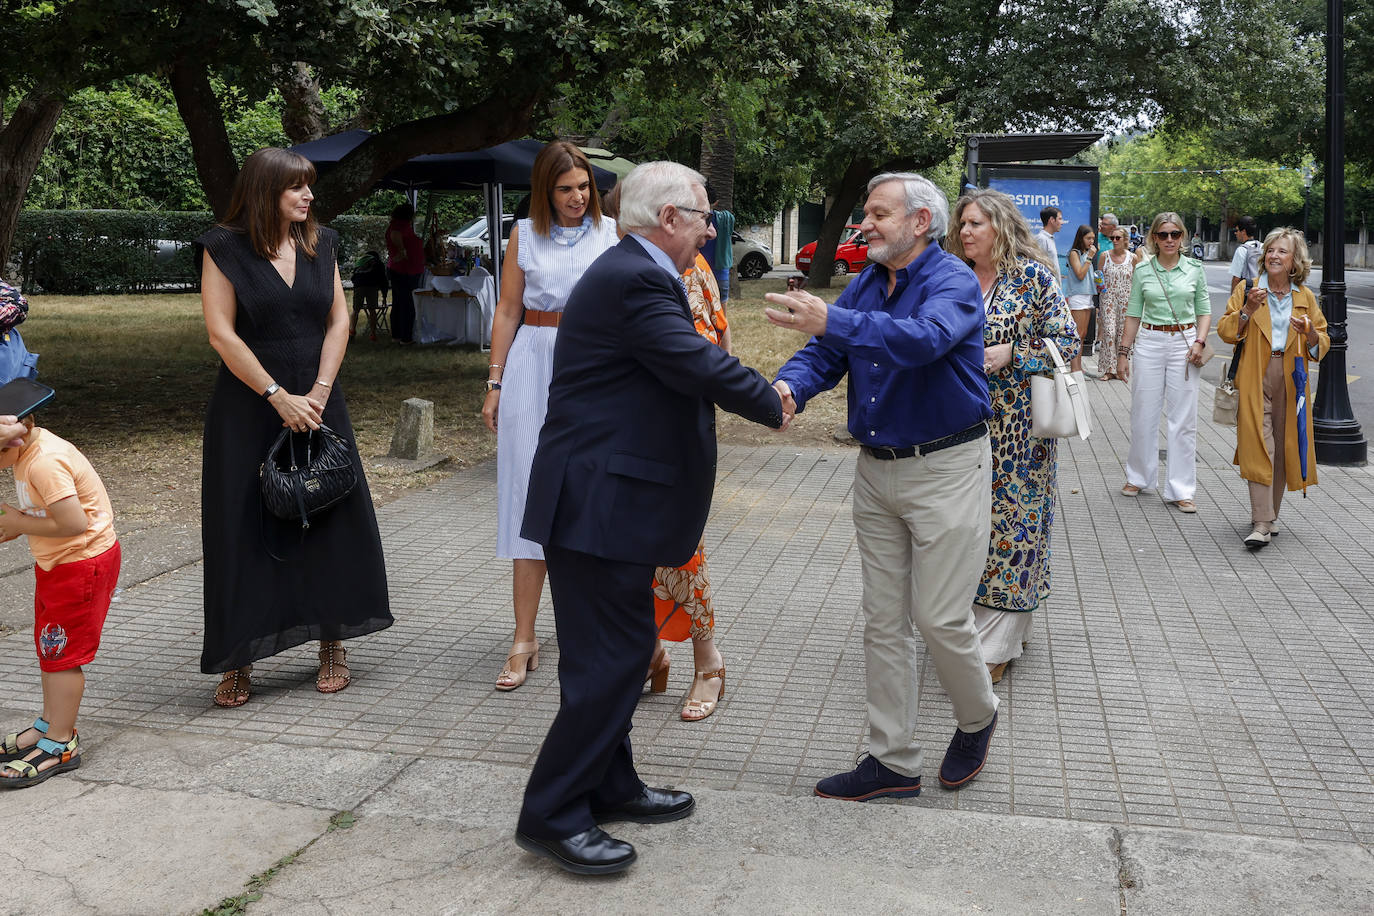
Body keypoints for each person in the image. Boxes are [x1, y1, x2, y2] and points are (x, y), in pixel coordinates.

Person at [514, 162, 784, 875]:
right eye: (703, 215)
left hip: (605, 499)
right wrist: (774, 399)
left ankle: (611, 783)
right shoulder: (636, 277)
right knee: (612, 661)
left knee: (615, 651)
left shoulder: (630, 269)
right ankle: (552, 812)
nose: (709, 226)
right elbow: (694, 362)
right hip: (599, 502)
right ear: (667, 218)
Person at [767, 172, 1000, 802]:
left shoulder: (951, 281)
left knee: (940, 618)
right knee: (882, 619)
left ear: (921, 222)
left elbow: (921, 342)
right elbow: (826, 351)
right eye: (864, 213)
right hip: (876, 471)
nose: (863, 224)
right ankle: (893, 760)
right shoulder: (870, 281)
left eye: (877, 214)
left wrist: (833, 321)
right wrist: (789, 388)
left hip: (946, 468)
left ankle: (978, 717)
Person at [197, 147, 392, 708]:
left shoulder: (319, 242)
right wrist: (276, 396)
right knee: (241, 525)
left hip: (318, 395)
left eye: (309, 187)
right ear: (265, 192)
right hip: (249, 404)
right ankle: (238, 656)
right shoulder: (222, 248)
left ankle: (333, 641)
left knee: (328, 515)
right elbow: (221, 334)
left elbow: (339, 318)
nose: (309, 196)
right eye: (297, 188)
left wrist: (320, 392)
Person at [481, 140, 619, 692]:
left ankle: (598, 628)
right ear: (544, 190)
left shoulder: (612, 235)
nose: (578, 197)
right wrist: (494, 382)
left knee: (594, 495)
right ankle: (524, 636)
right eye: (565, 189)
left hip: (595, 365)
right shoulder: (523, 235)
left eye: (584, 187)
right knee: (524, 496)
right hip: (533, 364)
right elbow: (509, 310)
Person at [604, 184, 732, 721]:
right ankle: (650, 654)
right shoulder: (622, 265)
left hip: (672, 435)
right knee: (627, 554)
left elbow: (709, 354)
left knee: (681, 552)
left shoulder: (690, 270)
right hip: (623, 437)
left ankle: (708, 662)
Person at [946, 189, 1078, 685]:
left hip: (1020, 432)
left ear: (999, 226)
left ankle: (998, 643)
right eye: (961, 225)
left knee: (1013, 530)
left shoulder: (1032, 277)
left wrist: (1012, 355)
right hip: (958, 426)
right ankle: (971, 632)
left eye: (975, 224)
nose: (965, 233)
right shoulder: (952, 276)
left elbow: (1068, 342)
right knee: (967, 533)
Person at [0, 415, 120, 788]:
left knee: (62, 657)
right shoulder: (29, 449)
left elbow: (73, 523)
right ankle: (49, 725)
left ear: (16, 437)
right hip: (59, 563)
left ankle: (61, 742)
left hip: (80, 564)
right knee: (50, 651)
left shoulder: (45, 462)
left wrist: (20, 523)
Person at [1215, 228, 1328, 548]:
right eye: (1271, 251)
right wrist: (1247, 311)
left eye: (1282, 252)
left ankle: (1270, 514)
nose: (1274, 256)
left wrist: (1309, 334)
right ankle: (1261, 522)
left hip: (1292, 376)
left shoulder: (1304, 296)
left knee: (1283, 446)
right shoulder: (1249, 290)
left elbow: (1322, 340)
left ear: (1295, 262)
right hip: (1255, 373)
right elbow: (1225, 331)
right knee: (1258, 445)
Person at [1115, 212, 1212, 513]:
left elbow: (1204, 311)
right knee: (1143, 411)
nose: (1169, 239)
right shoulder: (1143, 270)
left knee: (1183, 419)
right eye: (1163, 234)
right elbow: (1133, 313)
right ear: (1154, 238)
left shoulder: (1195, 269)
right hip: (1150, 341)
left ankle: (1181, 489)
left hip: (1185, 342)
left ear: (1183, 236)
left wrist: (1200, 341)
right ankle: (1139, 477)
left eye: (1175, 234)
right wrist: (1123, 353)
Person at [1096, 224, 1137, 381]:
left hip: (1126, 301)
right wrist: (1101, 289)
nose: (1114, 240)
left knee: (1122, 334)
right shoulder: (1104, 256)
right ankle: (1108, 369)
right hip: (1108, 299)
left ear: (1125, 239)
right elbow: (1098, 275)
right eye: (1112, 238)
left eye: (1117, 238)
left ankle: (1119, 369)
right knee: (1109, 332)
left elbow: (1137, 281)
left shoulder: (1133, 258)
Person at [385, 203, 424, 344]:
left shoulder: (399, 224)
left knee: (400, 303)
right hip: (404, 270)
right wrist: (402, 251)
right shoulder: (399, 226)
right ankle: (405, 337)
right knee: (406, 304)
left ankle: (398, 335)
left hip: (404, 270)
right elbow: (395, 236)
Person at [1064, 225, 1098, 373]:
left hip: (1088, 295)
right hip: (1077, 295)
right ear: (1081, 238)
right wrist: (1090, 257)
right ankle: (1074, 367)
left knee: (1083, 334)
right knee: (1077, 333)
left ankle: (1078, 366)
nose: (1091, 241)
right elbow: (1080, 274)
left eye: (1093, 238)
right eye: (1088, 238)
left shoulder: (1085, 253)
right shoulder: (1074, 253)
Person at [1230, 215, 1261, 291]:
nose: (1235, 233)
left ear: (1243, 232)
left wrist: (1233, 298)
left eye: (1237, 230)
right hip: (1262, 290)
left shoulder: (1241, 250)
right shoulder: (1262, 246)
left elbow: (1236, 278)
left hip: (1248, 292)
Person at [1034, 206, 1064, 279]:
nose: (1062, 222)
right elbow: (1038, 266)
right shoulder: (1042, 239)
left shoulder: (1049, 238)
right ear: (1052, 220)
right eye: (1060, 219)